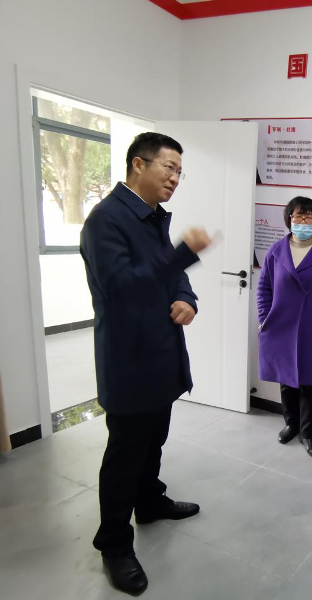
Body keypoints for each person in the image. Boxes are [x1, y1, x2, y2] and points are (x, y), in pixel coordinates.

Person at [80, 132, 210, 595]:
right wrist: (183, 254)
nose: (174, 178)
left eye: (179, 172)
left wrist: (186, 298)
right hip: (129, 360)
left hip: (160, 353)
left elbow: (170, 276)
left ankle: (150, 502)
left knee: (153, 439)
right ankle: (114, 545)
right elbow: (122, 288)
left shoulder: (150, 217)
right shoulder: (106, 221)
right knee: (124, 455)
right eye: (168, 168)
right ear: (139, 164)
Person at [257, 196, 312, 459]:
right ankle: (291, 424)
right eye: (298, 216)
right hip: (280, 325)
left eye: (309, 217)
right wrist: (264, 319)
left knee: (310, 382)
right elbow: (264, 287)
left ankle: (308, 433)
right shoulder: (276, 250)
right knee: (286, 380)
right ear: (289, 219)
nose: (303, 221)